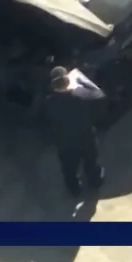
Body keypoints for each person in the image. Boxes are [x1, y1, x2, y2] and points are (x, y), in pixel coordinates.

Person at [42, 66, 106, 197]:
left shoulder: (48, 103)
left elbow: (41, 122)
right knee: (91, 162)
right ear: (68, 80)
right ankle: (95, 181)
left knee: (69, 168)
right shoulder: (82, 94)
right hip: (86, 137)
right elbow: (100, 95)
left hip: (64, 143)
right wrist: (83, 82)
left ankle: (74, 189)